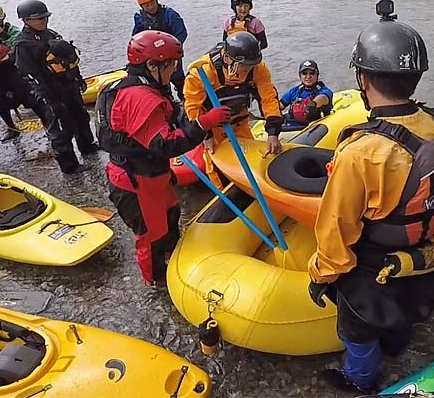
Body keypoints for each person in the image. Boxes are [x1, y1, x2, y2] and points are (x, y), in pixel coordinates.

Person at [307, 1, 434, 394]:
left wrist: (321, 276)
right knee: (402, 322)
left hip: (371, 271)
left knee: (358, 335)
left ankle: (358, 380)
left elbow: (336, 232)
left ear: (363, 79)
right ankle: (397, 349)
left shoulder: (361, 153)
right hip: (422, 259)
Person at [96, 30, 231, 286]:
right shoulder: (140, 97)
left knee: (171, 215)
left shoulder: (141, 84)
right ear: (152, 65)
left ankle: (174, 259)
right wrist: (202, 124)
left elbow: (169, 120)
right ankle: (157, 282)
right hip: (136, 180)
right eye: (171, 65)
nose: (174, 71)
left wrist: (193, 117)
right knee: (151, 236)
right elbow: (165, 145)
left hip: (148, 173)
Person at [183, 31, 282, 190]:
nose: (246, 71)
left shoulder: (257, 68)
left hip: (240, 123)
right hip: (213, 128)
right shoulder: (202, 72)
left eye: (250, 66)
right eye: (243, 67)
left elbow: (268, 98)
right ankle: (223, 194)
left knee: (251, 161)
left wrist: (273, 132)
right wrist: (205, 135)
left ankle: (253, 190)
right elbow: (192, 106)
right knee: (216, 168)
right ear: (228, 59)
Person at [14, 0, 100, 174]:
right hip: (49, 91)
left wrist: (78, 78)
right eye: (39, 18)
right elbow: (31, 76)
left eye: (45, 17)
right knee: (60, 127)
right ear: (26, 20)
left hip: (68, 85)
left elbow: (68, 59)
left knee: (81, 116)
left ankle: (87, 145)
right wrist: (50, 100)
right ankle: (69, 166)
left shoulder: (51, 34)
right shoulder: (23, 45)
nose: (43, 21)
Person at [0, 3, 40, 144]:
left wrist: (1, 34)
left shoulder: (13, 31)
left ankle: (48, 124)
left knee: (31, 98)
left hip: (14, 69)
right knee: (0, 102)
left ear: (3, 18)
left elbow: (20, 44)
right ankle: (12, 128)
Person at [132, 0, 188, 100]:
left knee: (179, 80)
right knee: (159, 84)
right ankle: (168, 102)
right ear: (142, 7)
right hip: (153, 56)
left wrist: (173, 49)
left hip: (171, 53)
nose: (151, 7)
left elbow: (181, 33)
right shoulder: (139, 17)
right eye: (146, 5)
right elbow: (137, 36)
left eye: (152, 3)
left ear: (156, 1)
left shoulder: (170, 14)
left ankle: (185, 100)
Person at [279, 60, 333, 127]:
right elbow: (279, 106)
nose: (308, 76)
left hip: (312, 128)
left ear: (317, 75)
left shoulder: (324, 91)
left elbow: (323, 98)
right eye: (304, 73)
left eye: (312, 73)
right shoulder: (294, 91)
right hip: (290, 125)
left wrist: (313, 104)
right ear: (300, 76)